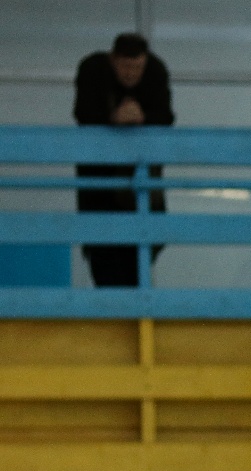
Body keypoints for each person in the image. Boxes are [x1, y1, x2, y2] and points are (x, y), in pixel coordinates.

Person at [73, 33, 173, 287]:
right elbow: (83, 113)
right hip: (100, 186)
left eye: (137, 67)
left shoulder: (155, 72)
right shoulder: (93, 71)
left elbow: (166, 117)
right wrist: (113, 119)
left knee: (138, 261)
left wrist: (141, 118)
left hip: (140, 186)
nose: (131, 74)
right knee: (104, 258)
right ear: (113, 60)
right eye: (126, 67)